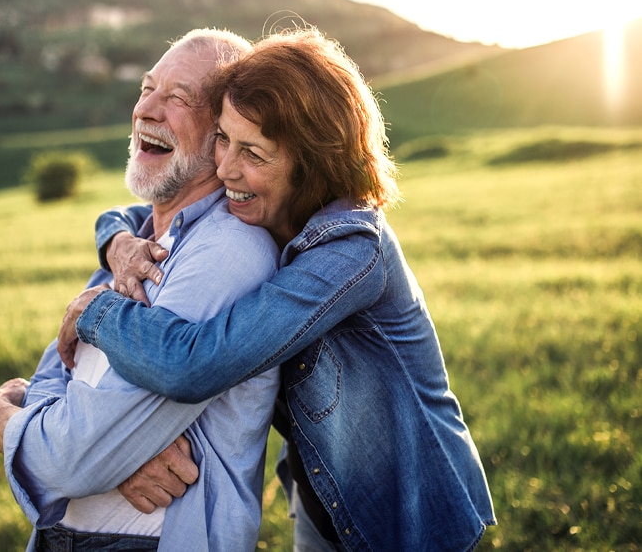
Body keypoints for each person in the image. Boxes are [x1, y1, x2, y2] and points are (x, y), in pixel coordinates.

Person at [58, 27, 497, 551]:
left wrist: (96, 312)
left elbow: (196, 365)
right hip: (321, 499)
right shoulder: (268, 206)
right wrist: (120, 244)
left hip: (409, 517)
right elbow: (130, 213)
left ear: (310, 163)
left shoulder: (353, 251)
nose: (224, 169)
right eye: (223, 137)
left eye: (253, 154)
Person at [0, 28, 282, 552]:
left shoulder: (229, 254)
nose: (147, 109)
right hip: (62, 536)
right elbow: (57, 378)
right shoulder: (134, 246)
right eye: (147, 88)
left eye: (178, 98)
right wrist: (106, 458)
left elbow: (74, 458)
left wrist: (1, 419)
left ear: (224, 137)